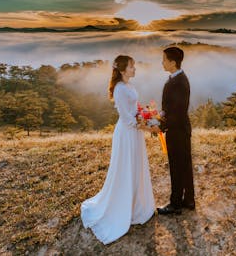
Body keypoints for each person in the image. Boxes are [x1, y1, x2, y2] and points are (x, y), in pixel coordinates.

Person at [81, 55, 155, 244]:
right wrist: (146, 126)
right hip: (127, 133)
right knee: (125, 168)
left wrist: (143, 114)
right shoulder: (120, 89)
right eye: (132, 66)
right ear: (123, 70)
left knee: (135, 166)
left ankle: (136, 204)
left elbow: (134, 109)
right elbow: (126, 117)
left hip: (135, 133)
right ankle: (122, 208)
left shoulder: (128, 86)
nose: (134, 69)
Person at [152, 47, 195, 215]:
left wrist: (161, 126)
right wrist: (158, 116)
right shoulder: (177, 79)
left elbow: (177, 111)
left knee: (177, 167)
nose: (162, 62)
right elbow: (169, 108)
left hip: (177, 130)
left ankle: (175, 204)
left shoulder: (179, 82)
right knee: (184, 165)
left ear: (172, 62)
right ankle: (189, 200)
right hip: (180, 128)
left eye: (164, 59)